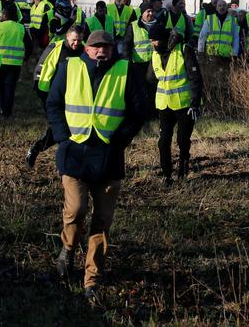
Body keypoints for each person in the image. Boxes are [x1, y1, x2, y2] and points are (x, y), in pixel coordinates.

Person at [45, 30, 145, 302]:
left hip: (108, 157)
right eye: (96, 46)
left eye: (107, 47)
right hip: (74, 154)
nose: (101, 51)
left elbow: (139, 111)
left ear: (113, 50)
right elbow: (53, 104)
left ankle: (92, 280)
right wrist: (63, 137)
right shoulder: (70, 67)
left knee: (102, 222)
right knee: (76, 211)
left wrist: (120, 140)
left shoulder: (127, 70)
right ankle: (68, 248)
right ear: (86, 49)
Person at [147, 23, 203, 186]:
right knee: (163, 141)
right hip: (164, 105)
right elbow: (150, 78)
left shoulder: (184, 50)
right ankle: (166, 175)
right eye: (151, 41)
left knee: (182, 139)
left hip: (185, 104)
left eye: (155, 40)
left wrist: (195, 103)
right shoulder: (155, 54)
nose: (153, 44)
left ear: (164, 39)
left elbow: (196, 78)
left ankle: (183, 168)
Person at [27, 26, 84, 167]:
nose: (76, 43)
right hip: (52, 95)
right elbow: (41, 66)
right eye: (74, 40)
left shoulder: (83, 51)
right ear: (67, 37)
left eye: (79, 40)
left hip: (73, 97)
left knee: (64, 128)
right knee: (60, 127)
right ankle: (43, 152)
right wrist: (39, 88)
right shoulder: (56, 48)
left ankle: (38, 150)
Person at [0, 4, 32, 117]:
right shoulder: (21, 28)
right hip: (15, 64)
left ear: (5, 15)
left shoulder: (0, 26)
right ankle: (7, 112)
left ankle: (1, 108)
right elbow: (29, 45)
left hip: (0, 62)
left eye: (2, 14)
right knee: (10, 88)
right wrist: (26, 57)